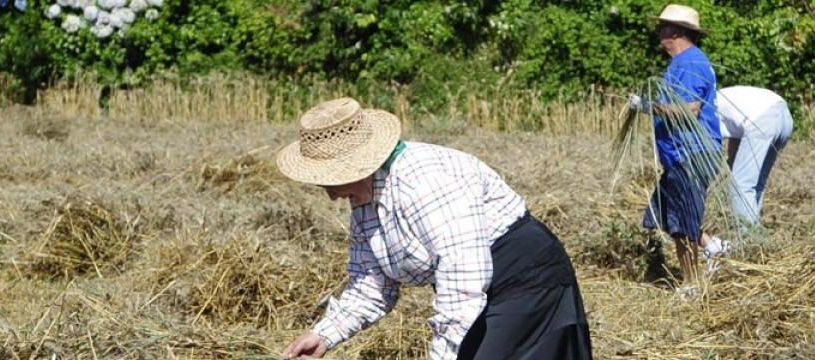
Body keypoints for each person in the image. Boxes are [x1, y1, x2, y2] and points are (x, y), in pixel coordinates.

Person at [276, 97, 591, 359]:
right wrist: (325, 334)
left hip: (527, 279)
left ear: (358, 164)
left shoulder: (425, 182)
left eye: (330, 181)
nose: (330, 194)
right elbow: (372, 284)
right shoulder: (365, 199)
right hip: (480, 286)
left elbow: (462, 283)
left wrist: (442, 354)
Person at [627, 4, 727, 295]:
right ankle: (712, 248)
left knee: (682, 221)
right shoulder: (679, 64)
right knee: (670, 216)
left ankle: (691, 285)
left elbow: (690, 109)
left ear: (675, 31)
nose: (658, 33)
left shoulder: (692, 62)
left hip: (692, 155)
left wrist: (647, 106)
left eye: (662, 27)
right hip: (678, 156)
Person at [715, 86, 793, 224]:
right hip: (784, 117)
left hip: (763, 118)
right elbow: (733, 160)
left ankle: (749, 238)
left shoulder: (705, 114)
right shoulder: (733, 114)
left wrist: (704, 187)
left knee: (740, 185)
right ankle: (756, 231)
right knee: (756, 182)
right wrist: (711, 186)